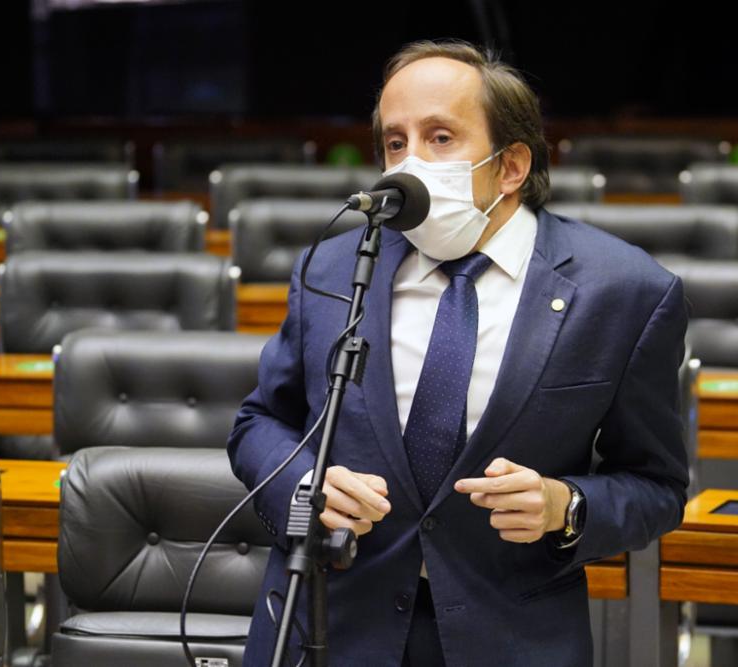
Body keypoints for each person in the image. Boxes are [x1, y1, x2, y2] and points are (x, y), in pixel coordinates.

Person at [228, 39, 689, 666]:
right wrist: (304, 489)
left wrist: (567, 505)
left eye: (440, 138)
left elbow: (656, 486)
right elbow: (259, 424)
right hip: (330, 624)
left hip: (509, 634)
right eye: (396, 143)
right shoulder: (335, 269)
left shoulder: (624, 291)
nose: (410, 163)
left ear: (511, 166)